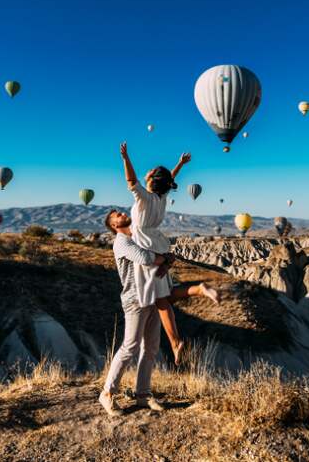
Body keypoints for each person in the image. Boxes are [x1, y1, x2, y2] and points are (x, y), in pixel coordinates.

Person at [119, 142, 220, 365]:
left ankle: (175, 341)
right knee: (163, 297)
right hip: (157, 243)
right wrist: (179, 165)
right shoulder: (161, 198)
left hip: (145, 245)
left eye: (150, 171)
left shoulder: (144, 198)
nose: (147, 172)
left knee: (160, 300)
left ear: (152, 179)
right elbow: (168, 179)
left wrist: (126, 158)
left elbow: (131, 181)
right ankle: (196, 293)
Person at [99, 209, 170, 417]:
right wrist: (163, 258)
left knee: (151, 347)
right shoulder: (121, 242)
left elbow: (160, 254)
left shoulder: (139, 237)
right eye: (116, 215)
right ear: (114, 225)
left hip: (152, 296)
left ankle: (142, 393)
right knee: (130, 347)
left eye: (120, 212)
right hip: (134, 300)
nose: (122, 213)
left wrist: (164, 258)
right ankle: (107, 393)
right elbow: (146, 258)